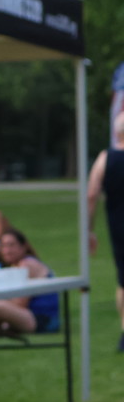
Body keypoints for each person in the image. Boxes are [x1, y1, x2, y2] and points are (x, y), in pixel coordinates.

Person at [86, 112, 124, 352]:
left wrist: (89, 230)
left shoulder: (106, 158)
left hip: (119, 224)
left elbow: (92, 195)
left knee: (123, 279)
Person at [0, 218, 59, 335]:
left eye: (11, 245)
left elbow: (20, 303)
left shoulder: (27, 265)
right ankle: (0, 328)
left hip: (43, 319)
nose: (7, 251)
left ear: (23, 247)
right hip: (32, 316)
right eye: (3, 246)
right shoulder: (16, 266)